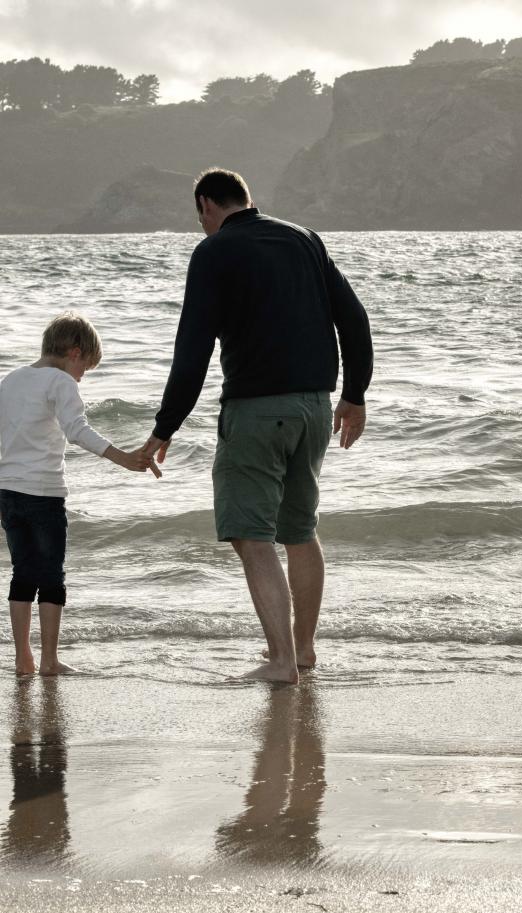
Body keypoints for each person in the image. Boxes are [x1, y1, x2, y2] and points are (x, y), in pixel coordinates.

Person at [143, 168, 373, 685]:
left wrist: (165, 426)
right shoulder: (304, 238)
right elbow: (354, 320)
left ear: (206, 205)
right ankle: (305, 650)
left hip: (255, 409)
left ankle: (280, 661)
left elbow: (193, 348)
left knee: (251, 534)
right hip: (315, 407)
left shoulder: (214, 252)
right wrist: (355, 395)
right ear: (247, 199)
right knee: (300, 530)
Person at [0, 311, 160, 677]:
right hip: (44, 492)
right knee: (52, 576)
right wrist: (124, 458)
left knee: (22, 573)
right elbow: (77, 430)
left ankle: (22, 657)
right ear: (75, 352)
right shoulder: (61, 382)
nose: (82, 376)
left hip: (8, 491)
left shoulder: (10, 379)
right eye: (86, 367)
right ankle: (50, 660)